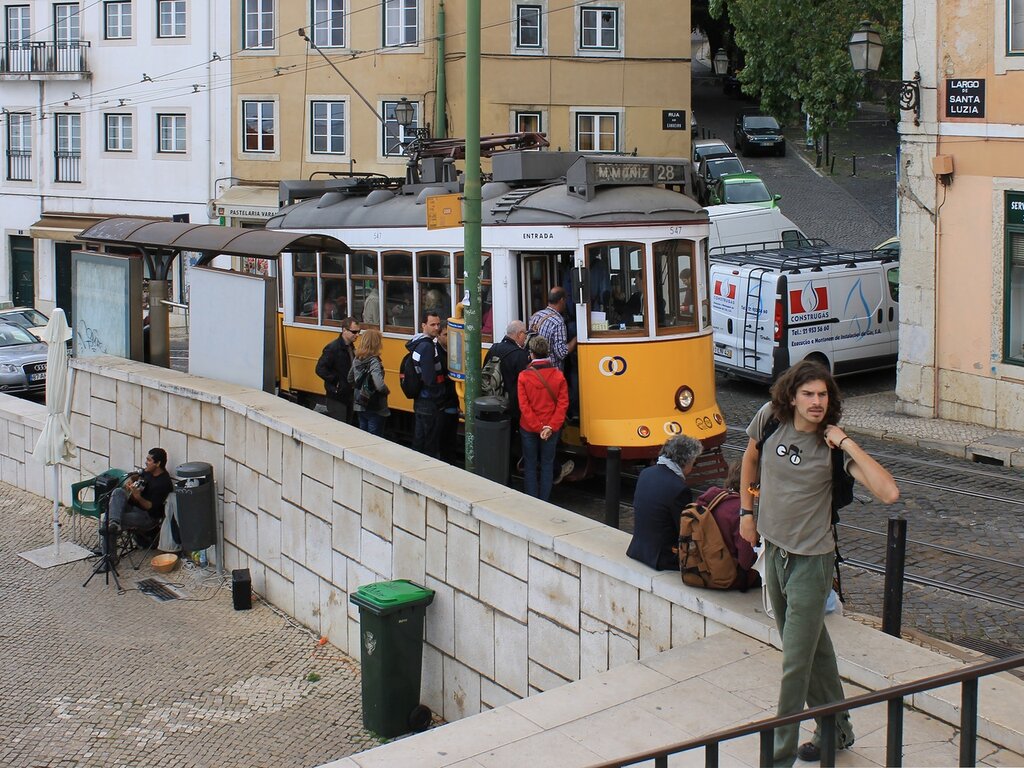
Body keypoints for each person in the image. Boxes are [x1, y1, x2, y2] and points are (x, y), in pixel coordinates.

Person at [739, 360, 899, 766]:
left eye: (822, 395)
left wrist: (845, 442)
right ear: (791, 397)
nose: (815, 402)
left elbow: (889, 493)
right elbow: (750, 459)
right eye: (808, 394)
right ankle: (839, 728)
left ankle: (779, 756)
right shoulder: (770, 420)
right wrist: (746, 514)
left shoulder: (831, 449)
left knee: (795, 661)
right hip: (774, 553)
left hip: (812, 563)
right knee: (815, 651)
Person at [626, 435, 703, 570]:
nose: (693, 467)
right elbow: (684, 530)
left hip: (637, 550)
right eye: (694, 463)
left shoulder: (646, 473)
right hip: (663, 558)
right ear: (685, 461)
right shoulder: (679, 488)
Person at [516, 335, 569, 501]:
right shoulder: (558, 376)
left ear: (531, 354)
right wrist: (550, 427)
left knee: (530, 465)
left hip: (529, 428)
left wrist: (538, 427)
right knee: (547, 464)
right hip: (551, 429)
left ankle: (532, 501)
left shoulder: (523, 376)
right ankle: (544, 500)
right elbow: (563, 405)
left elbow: (524, 407)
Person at [697, 461, 759, 589]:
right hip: (726, 573)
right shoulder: (740, 510)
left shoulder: (712, 497)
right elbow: (745, 562)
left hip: (703, 565)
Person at [106, 447, 174, 540]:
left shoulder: (163, 483)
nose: (146, 462)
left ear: (158, 463)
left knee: (110, 518)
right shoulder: (148, 471)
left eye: (149, 460)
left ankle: (110, 552)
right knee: (118, 492)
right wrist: (130, 480)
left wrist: (138, 496)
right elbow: (136, 476)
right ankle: (114, 524)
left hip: (147, 517)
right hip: (134, 507)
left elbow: (150, 506)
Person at [407, 309, 446, 458]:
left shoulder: (417, 343)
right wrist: (439, 395)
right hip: (429, 401)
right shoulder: (428, 347)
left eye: (438, 324)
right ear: (424, 325)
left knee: (420, 439)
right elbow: (430, 378)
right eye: (432, 324)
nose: (436, 328)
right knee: (430, 443)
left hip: (421, 399)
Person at [482, 320, 531, 424]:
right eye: (525, 334)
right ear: (520, 334)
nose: (526, 337)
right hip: (511, 408)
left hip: (492, 402)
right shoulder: (520, 355)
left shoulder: (494, 348)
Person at [315, 317, 360, 424]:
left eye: (358, 332)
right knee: (340, 425)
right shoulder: (333, 348)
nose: (357, 335)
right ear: (344, 330)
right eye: (354, 332)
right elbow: (320, 369)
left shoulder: (351, 348)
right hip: (337, 395)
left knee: (348, 424)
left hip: (349, 394)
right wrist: (337, 381)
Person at [347, 329, 389, 436]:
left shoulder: (357, 358)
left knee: (363, 434)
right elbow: (379, 385)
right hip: (374, 405)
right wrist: (386, 390)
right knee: (374, 436)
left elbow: (350, 378)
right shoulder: (374, 361)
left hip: (360, 402)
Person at [529, 286, 576, 371]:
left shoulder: (536, 316)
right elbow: (562, 353)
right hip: (551, 371)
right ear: (562, 300)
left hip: (535, 370)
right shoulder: (558, 322)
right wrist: (576, 339)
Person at [436, 322, 461, 464]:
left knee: (450, 435)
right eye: (445, 335)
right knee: (445, 436)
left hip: (451, 401)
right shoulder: (438, 353)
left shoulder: (451, 350)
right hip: (445, 401)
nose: (448, 338)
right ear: (439, 336)